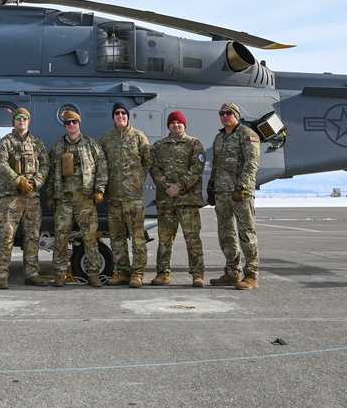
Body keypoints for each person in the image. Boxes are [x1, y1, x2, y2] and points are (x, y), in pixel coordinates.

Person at [46, 109, 107, 288]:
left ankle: (93, 274)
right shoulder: (58, 148)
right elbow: (51, 174)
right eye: (68, 123)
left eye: (74, 122)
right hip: (64, 201)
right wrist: (49, 194)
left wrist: (100, 190)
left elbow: (102, 168)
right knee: (61, 238)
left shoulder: (91, 145)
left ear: (79, 124)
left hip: (85, 200)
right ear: (64, 126)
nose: (71, 125)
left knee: (89, 239)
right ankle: (59, 274)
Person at [0, 108, 50, 289]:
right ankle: (1, 274)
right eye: (18, 118)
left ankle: (31, 273)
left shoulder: (37, 144)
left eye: (25, 118)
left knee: (32, 237)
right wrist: (19, 181)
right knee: (6, 236)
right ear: (14, 122)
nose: (22, 121)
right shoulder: (5, 143)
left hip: (32, 198)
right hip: (11, 198)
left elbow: (46, 165)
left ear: (29, 121)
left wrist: (35, 182)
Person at [149, 110, 206, 287]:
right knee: (165, 239)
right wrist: (166, 186)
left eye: (179, 123)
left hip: (187, 201)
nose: (176, 125)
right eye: (173, 123)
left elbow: (197, 168)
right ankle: (162, 274)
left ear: (184, 125)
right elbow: (154, 169)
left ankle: (197, 275)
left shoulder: (194, 144)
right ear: (168, 126)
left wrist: (179, 186)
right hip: (166, 201)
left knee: (192, 239)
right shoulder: (158, 146)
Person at [208, 102, 260, 290]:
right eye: (221, 113)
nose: (224, 116)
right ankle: (232, 272)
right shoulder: (219, 137)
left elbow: (251, 164)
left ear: (236, 114)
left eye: (228, 113)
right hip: (222, 193)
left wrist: (242, 187)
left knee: (246, 233)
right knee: (226, 234)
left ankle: (251, 275)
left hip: (241, 194)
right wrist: (211, 186)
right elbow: (216, 165)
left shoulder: (247, 135)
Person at [99, 102, 152, 288]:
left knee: (137, 237)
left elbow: (148, 161)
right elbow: (101, 165)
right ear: (113, 117)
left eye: (123, 113)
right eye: (117, 113)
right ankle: (122, 272)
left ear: (128, 116)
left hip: (133, 198)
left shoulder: (139, 137)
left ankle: (137, 273)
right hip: (113, 197)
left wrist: (137, 180)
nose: (120, 116)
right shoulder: (106, 139)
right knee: (116, 237)